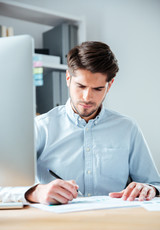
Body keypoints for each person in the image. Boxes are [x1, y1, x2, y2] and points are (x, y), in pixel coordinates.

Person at [1, 41, 159, 204]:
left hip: (114, 223)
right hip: (59, 225)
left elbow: (154, 184)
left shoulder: (128, 129)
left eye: (97, 89)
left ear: (109, 85)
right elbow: (3, 188)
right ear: (68, 78)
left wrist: (149, 188)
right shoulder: (40, 127)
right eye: (81, 86)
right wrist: (35, 193)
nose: (87, 97)